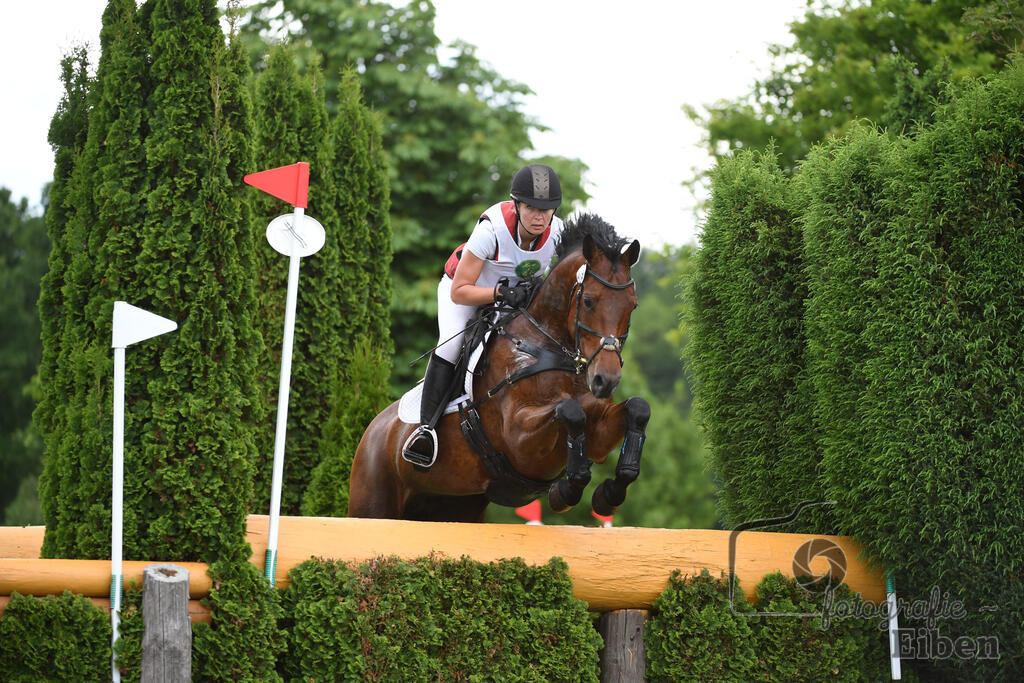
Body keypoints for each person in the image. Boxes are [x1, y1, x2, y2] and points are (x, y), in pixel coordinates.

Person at [402, 164, 566, 469]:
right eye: (531, 207)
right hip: (466, 291)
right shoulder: (491, 230)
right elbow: (460, 291)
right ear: (517, 205)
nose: (539, 216)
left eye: (547, 209)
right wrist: (499, 295)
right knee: (451, 346)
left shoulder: (558, 232)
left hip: (514, 299)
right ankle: (425, 430)